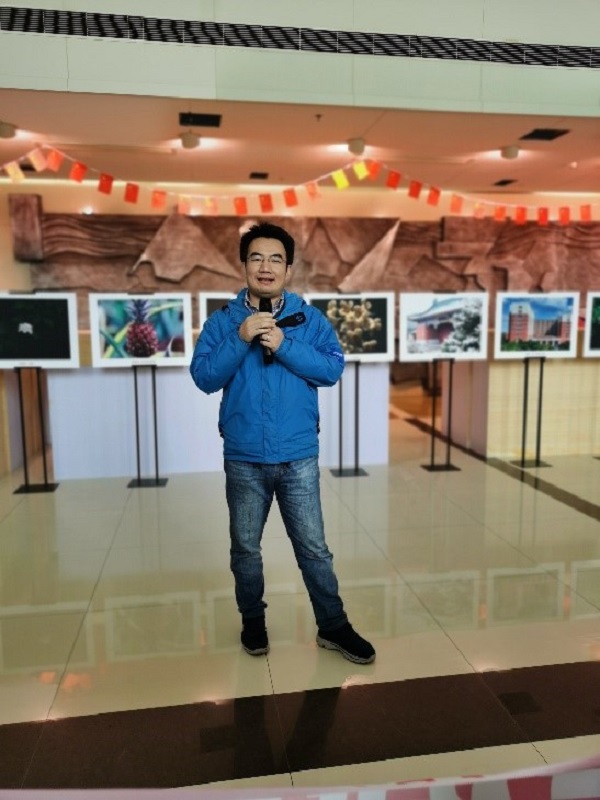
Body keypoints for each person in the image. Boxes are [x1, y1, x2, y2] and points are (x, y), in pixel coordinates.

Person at [190, 222, 375, 665]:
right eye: (257, 257)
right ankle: (253, 621)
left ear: (288, 269)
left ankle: (333, 625)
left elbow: (331, 370)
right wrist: (240, 338)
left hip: (298, 456)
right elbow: (204, 377)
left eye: (276, 259)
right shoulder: (223, 322)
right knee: (245, 550)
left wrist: (284, 344)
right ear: (244, 264)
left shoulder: (310, 321)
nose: (266, 267)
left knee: (314, 549)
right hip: (244, 457)